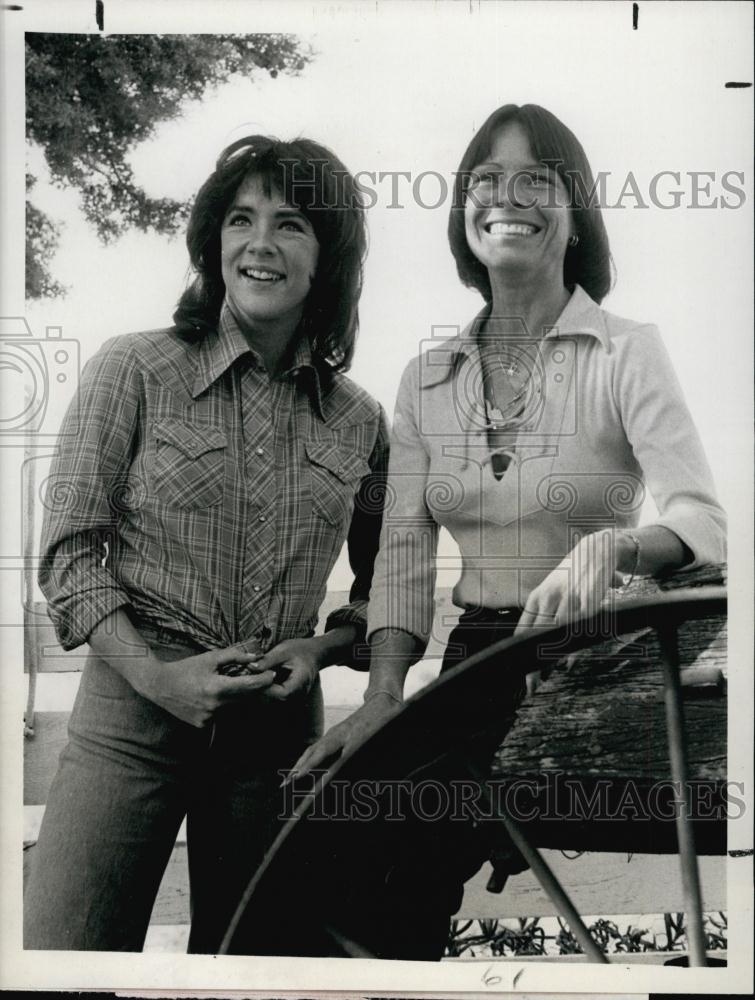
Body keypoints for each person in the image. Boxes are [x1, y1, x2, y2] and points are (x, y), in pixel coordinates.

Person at [289, 104, 727, 957]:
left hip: (593, 657)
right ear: (463, 212)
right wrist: (382, 698)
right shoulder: (426, 375)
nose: (506, 196)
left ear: (575, 211)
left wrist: (616, 547)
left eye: (537, 178)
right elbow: (405, 554)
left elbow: (700, 516)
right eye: (484, 179)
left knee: (394, 851)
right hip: (472, 666)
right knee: (331, 844)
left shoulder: (626, 350)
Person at [24, 135, 388, 952]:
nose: (260, 243)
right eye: (240, 219)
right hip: (130, 720)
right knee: (63, 955)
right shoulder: (133, 369)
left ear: (327, 257)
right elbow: (69, 554)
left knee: (259, 972)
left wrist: (323, 647)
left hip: (275, 742)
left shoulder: (360, 420)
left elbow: (386, 590)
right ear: (212, 241)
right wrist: (157, 677)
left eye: (290, 223)